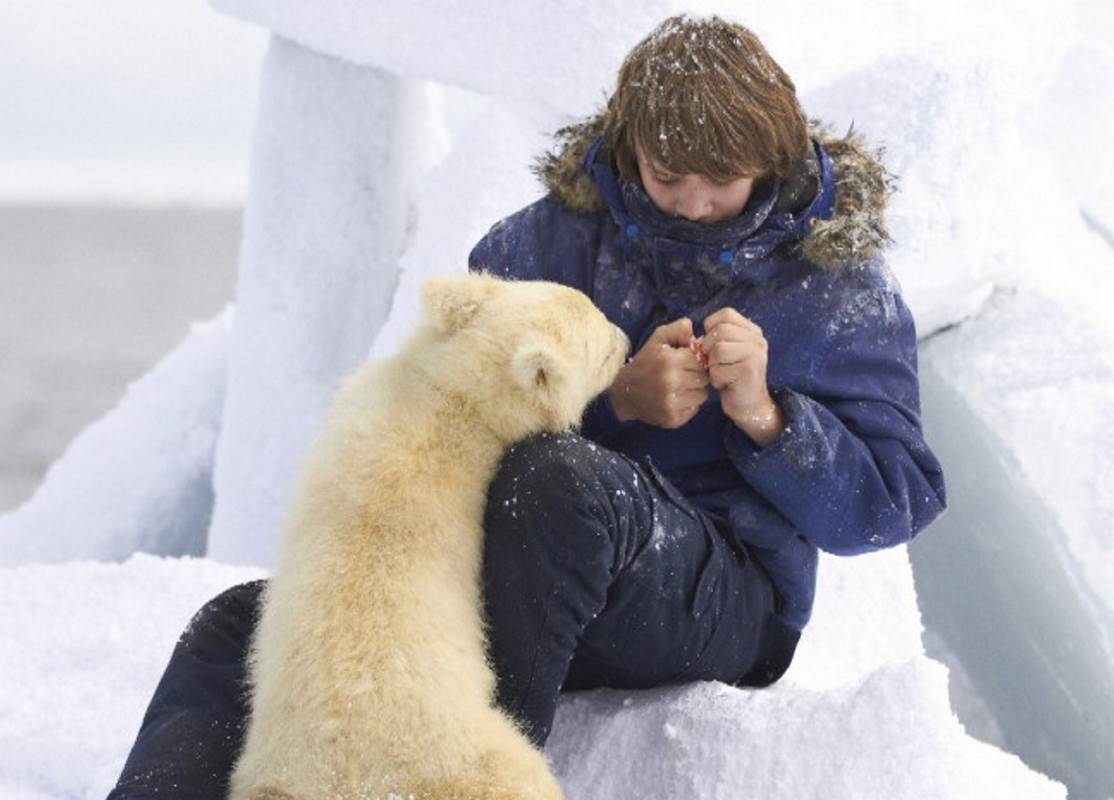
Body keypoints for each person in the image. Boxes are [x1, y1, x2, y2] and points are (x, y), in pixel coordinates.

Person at [108, 14, 946, 798]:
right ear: (627, 151)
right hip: (504, 570)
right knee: (240, 630)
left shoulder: (837, 285)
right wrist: (617, 399)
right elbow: (451, 415)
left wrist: (768, 418)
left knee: (556, 482)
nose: (691, 202)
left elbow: (892, 505)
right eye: (667, 176)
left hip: (718, 597)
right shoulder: (537, 244)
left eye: (720, 182)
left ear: (771, 158)